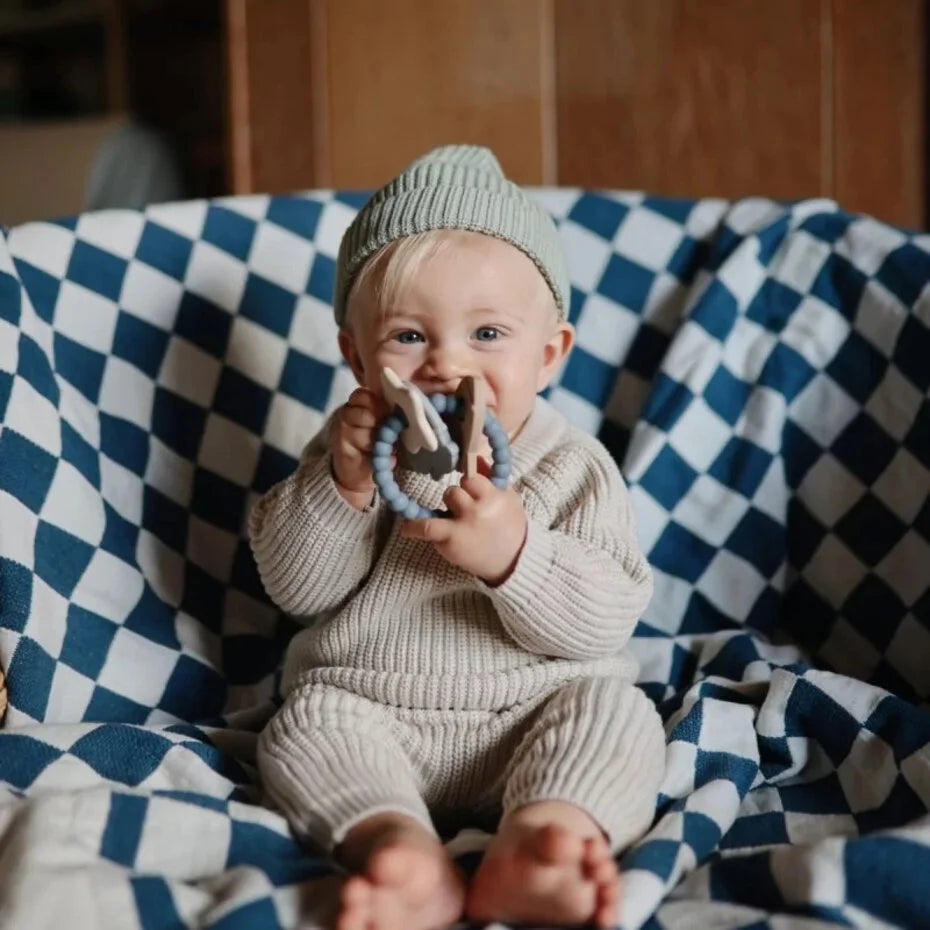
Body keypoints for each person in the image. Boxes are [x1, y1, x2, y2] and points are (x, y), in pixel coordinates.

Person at [249, 145, 666, 930]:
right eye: (408, 337)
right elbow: (297, 591)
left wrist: (516, 555)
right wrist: (342, 489)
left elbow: (607, 618)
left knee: (617, 714)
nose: (445, 362)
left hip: (532, 712)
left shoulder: (573, 464)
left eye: (487, 333)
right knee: (303, 726)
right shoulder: (349, 451)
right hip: (374, 706)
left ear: (548, 355)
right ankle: (397, 850)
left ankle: (543, 840)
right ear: (355, 355)